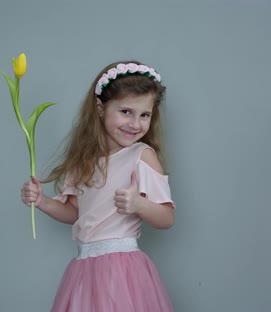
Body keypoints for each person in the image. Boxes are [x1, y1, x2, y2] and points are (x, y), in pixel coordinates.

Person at [20, 60, 176, 312]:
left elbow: (167, 217)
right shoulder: (83, 160)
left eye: (144, 115)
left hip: (123, 272)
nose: (135, 124)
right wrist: (42, 202)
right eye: (126, 112)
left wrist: (140, 204)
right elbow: (75, 213)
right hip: (84, 269)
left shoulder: (141, 155)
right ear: (101, 108)